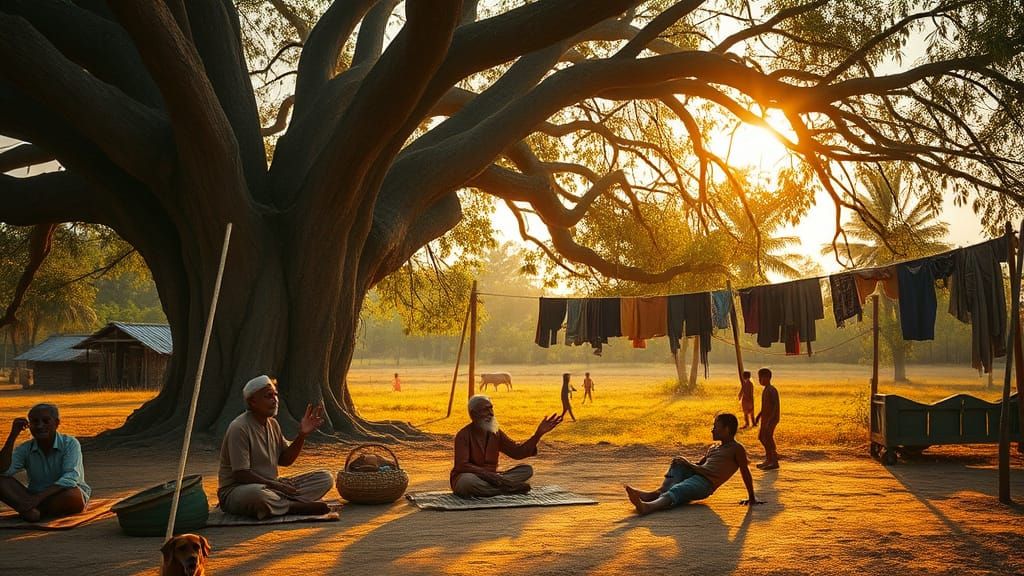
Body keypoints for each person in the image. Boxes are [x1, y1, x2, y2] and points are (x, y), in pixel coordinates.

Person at [217, 375, 334, 520]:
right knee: (258, 495)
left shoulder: (273, 424)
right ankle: (294, 507)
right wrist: (276, 486)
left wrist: (302, 434)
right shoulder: (239, 427)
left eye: (275, 395)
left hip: (273, 487)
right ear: (252, 401)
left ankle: (282, 504)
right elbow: (240, 474)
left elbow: (285, 460)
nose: (275, 400)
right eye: (268, 396)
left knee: (325, 478)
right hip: (238, 491)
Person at [624, 413, 760, 515]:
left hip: (706, 483)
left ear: (727, 429)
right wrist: (684, 464)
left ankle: (648, 507)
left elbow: (745, 471)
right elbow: (698, 465)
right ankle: (655, 494)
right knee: (678, 462)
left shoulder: (736, 449)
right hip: (697, 474)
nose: (712, 430)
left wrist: (752, 497)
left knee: (677, 489)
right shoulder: (714, 447)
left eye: (716, 427)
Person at [451, 395, 562, 497]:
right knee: (466, 482)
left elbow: (517, 452)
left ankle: (500, 488)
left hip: (494, 480)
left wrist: (538, 434)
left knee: (527, 470)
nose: (491, 413)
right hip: (472, 478)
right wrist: (488, 475)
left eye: (491, 408)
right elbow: (462, 466)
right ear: (474, 414)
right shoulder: (463, 435)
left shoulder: (496, 433)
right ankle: (507, 489)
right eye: (486, 410)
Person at [0, 403, 90, 522]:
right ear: (29, 425)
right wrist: (12, 435)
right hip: (33, 496)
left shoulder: (70, 443)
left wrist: (37, 499)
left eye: (46, 421)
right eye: (35, 422)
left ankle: (32, 511)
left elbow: (70, 477)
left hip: (60, 494)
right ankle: (32, 511)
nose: (40, 426)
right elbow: (3, 470)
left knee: (72, 496)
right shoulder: (25, 448)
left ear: (57, 423)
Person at [753, 367, 780, 470]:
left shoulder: (772, 390)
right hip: (765, 419)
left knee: (768, 438)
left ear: (768, 378)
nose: (760, 380)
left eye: (762, 378)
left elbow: (775, 406)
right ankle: (769, 458)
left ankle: (774, 461)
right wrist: (759, 416)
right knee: (761, 437)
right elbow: (765, 407)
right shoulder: (766, 390)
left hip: (771, 419)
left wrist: (770, 420)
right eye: (759, 378)